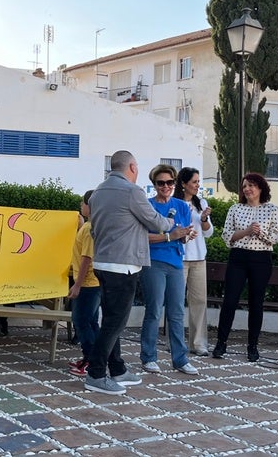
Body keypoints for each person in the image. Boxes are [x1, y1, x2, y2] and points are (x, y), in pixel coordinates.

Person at [86, 150, 174, 395]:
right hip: (123, 265)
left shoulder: (98, 192)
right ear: (132, 167)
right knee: (115, 322)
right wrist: (170, 223)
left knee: (111, 319)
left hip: (103, 263)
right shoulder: (132, 191)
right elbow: (155, 222)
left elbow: (94, 229)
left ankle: (117, 369)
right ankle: (95, 374)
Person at [212, 173, 278, 362]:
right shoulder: (235, 209)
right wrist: (247, 231)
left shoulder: (272, 210)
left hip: (261, 259)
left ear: (261, 188)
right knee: (230, 300)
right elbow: (227, 236)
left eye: (251, 185)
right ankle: (221, 343)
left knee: (256, 303)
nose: (247, 189)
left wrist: (260, 233)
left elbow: (275, 238)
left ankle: (252, 346)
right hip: (238, 257)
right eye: (244, 186)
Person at [140, 164, 198, 375]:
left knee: (176, 312)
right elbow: (141, 237)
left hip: (175, 262)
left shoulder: (182, 206)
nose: (165, 186)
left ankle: (180, 359)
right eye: (160, 183)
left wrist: (186, 235)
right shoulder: (147, 206)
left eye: (169, 182)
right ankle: (148, 357)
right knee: (154, 310)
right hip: (153, 262)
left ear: (175, 183)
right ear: (154, 185)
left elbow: (183, 234)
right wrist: (169, 236)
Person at [174, 167, 214, 356]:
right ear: (183, 184)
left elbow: (208, 232)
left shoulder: (201, 203)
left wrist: (204, 218)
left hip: (199, 258)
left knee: (199, 301)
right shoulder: (174, 203)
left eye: (198, 182)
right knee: (176, 302)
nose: (198, 185)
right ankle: (176, 342)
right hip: (179, 258)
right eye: (195, 182)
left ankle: (198, 344)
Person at [67, 190, 101, 377]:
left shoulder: (89, 229)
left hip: (88, 283)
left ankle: (91, 361)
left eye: (83, 203)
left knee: (81, 322)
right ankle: (93, 359)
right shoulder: (89, 226)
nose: (81, 206)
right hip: (93, 282)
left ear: (90, 206)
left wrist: (77, 285)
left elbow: (87, 257)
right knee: (91, 322)